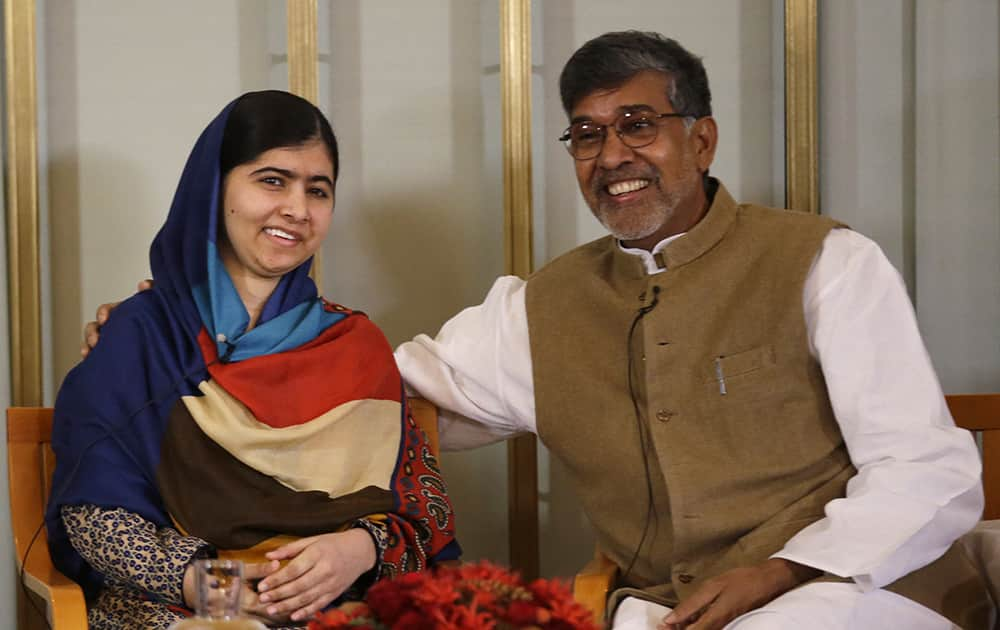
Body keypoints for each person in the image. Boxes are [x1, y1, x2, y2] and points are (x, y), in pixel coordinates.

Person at [84, 33, 991, 630]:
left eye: (640, 125)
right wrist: (182, 348)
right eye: (588, 135)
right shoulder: (543, 309)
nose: (612, 155)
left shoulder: (825, 262)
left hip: (843, 598)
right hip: (655, 613)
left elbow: (929, 471)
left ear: (702, 139)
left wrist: (786, 573)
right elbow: (380, 393)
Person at [52, 90, 459, 629]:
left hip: (336, 605)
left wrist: (357, 551)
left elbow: (421, 515)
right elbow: (95, 516)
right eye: (272, 180)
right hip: (183, 605)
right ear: (215, 188)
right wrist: (220, 590)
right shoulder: (141, 335)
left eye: (318, 190)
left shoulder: (355, 344)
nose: (296, 209)